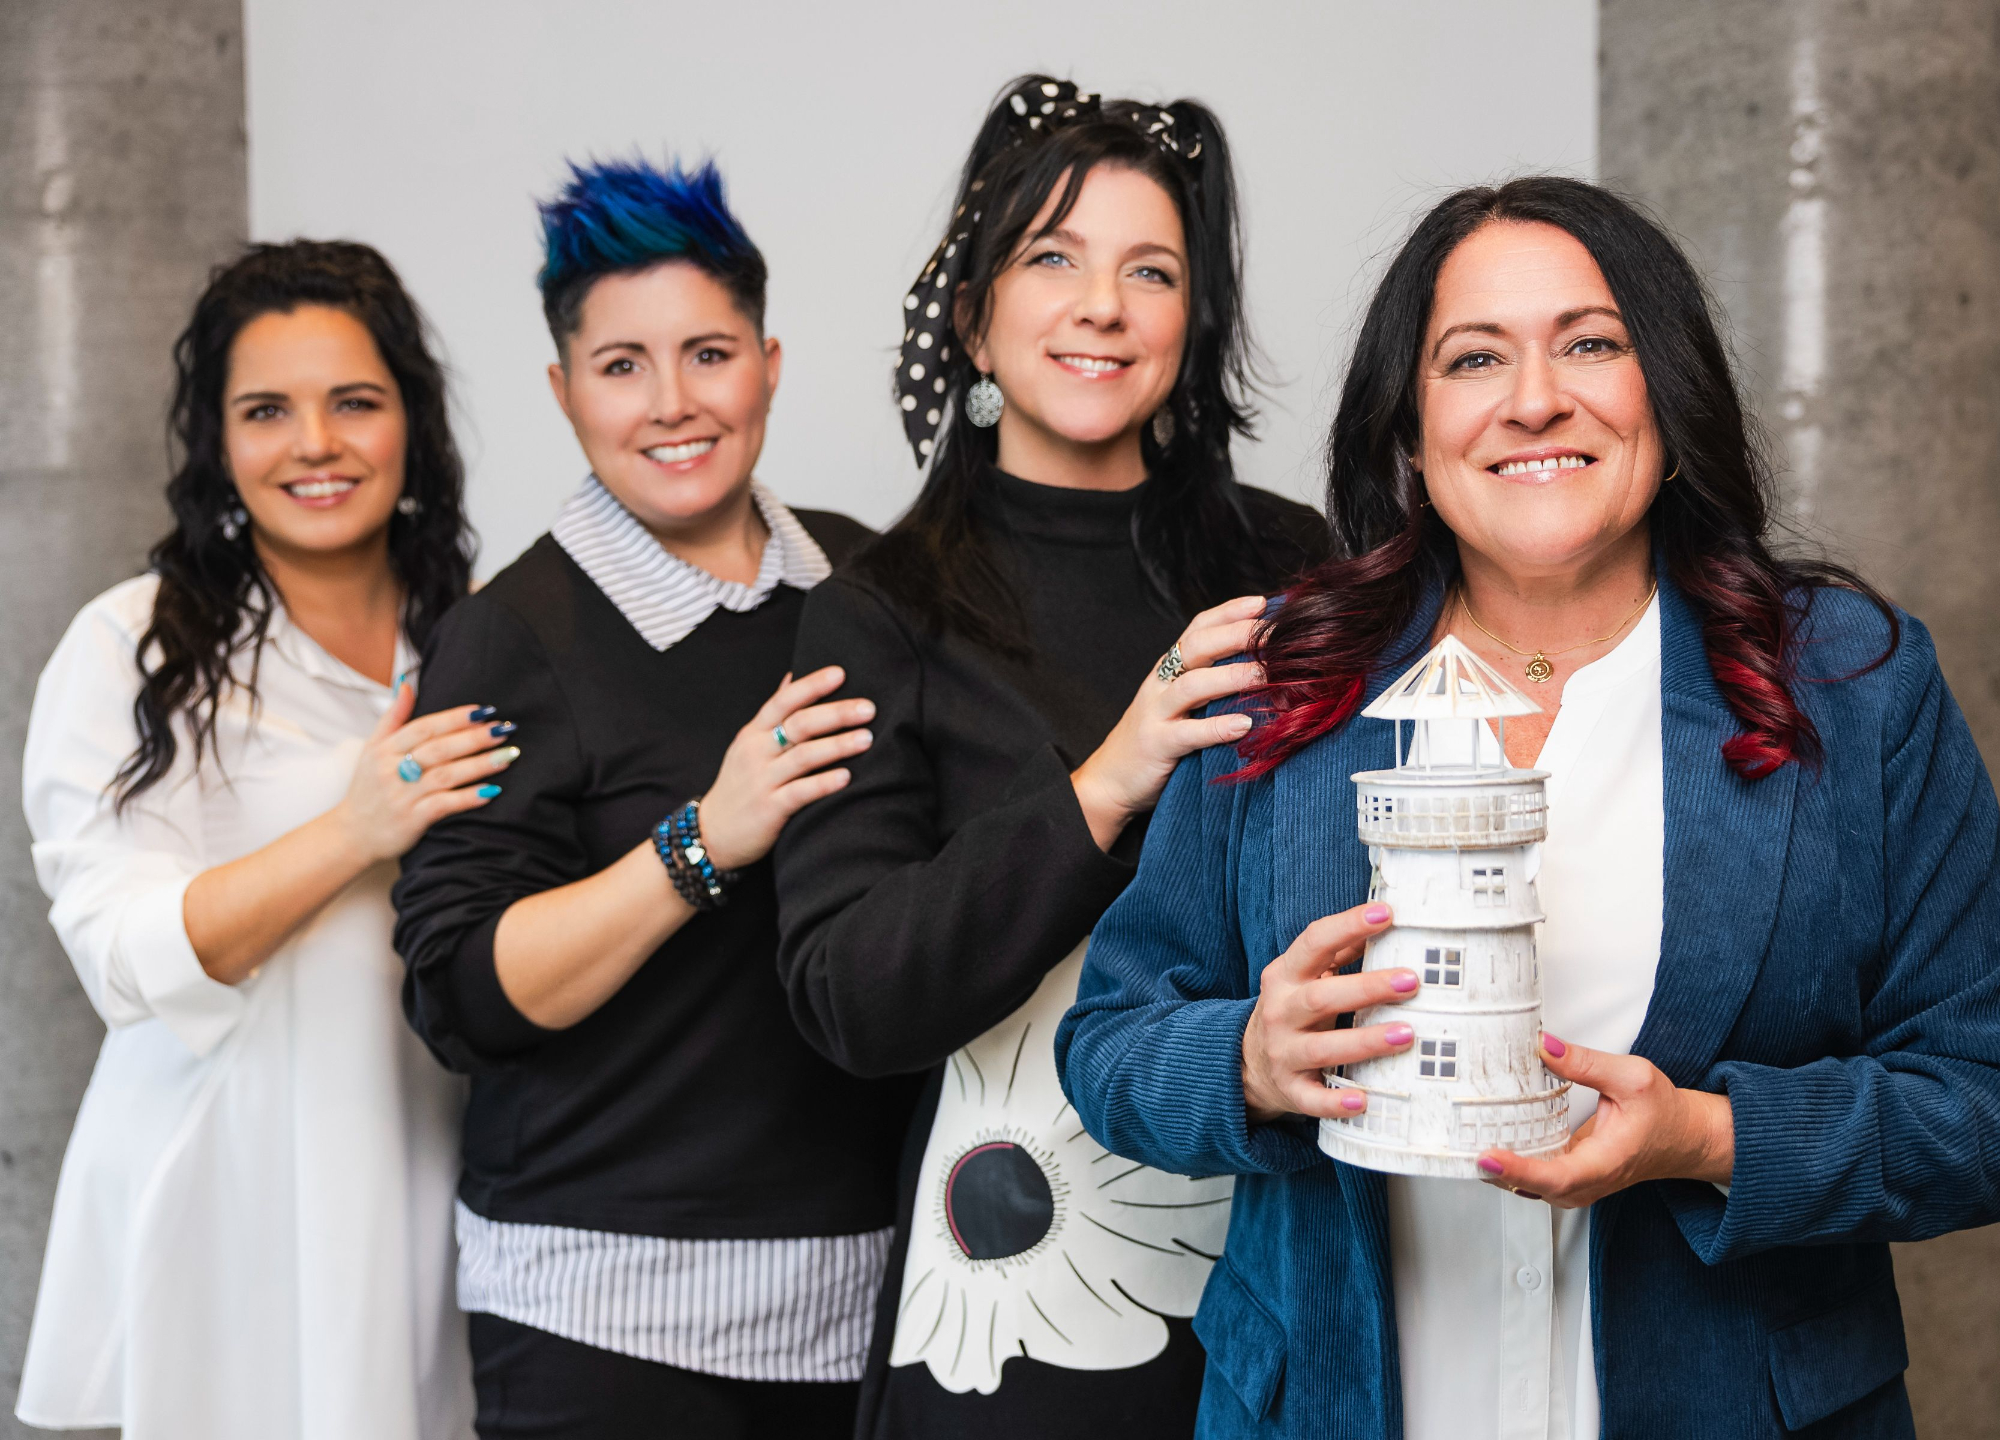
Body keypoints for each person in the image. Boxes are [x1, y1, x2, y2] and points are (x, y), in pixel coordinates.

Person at [1057, 176, 2000, 1439]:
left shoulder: (1853, 685)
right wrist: (1251, 1065)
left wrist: (1710, 1139)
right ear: (1410, 429)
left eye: (1591, 344)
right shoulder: (1284, 676)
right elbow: (1109, 1044)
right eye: (1474, 357)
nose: (1535, 398)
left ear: (1670, 393)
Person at [774, 75, 1330, 1440]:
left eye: (1152, 271)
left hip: (1290, 1244)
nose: (1103, 307)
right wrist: (1106, 782)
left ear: (1193, 322)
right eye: (1054, 260)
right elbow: (849, 996)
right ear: (973, 315)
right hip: (1024, 1285)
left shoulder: (1294, 565)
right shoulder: (883, 610)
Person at [390, 157, 911, 1440]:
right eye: (622, 366)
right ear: (564, 390)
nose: (673, 403)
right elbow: (463, 996)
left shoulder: (868, 584)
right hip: (599, 1316)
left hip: (862, 1296)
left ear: (769, 366)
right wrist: (703, 840)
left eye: (708, 355)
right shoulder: (509, 636)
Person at [17, 241, 491, 1439]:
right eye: (267, 410)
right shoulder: (133, 648)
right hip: (230, 1191)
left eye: (355, 402)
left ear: (412, 424)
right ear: (218, 442)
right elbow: (120, 954)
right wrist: (354, 829)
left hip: (445, 1171)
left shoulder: (484, 643)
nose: (315, 444)